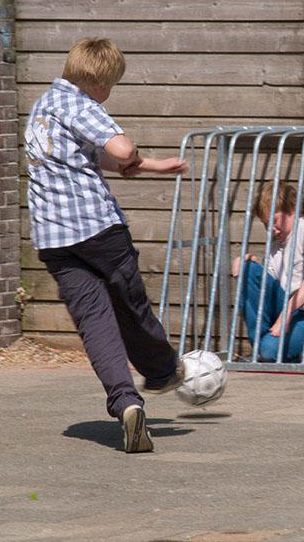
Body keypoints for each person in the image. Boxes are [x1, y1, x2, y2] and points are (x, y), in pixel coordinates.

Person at [25, 37, 187, 453]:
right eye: (110, 87)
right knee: (131, 305)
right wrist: (132, 150)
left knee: (95, 322)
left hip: (54, 239)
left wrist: (149, 166)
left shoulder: (42, 108)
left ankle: (126, 403)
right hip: (97, 229)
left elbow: (85, 156)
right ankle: (162, 368)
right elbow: (120, 147)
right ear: (100, 83)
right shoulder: (81, 104)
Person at [231, 181, 304, 362]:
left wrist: (286, 313)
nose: (271, 228)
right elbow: (268, 288)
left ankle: (269, 351)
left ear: (292, 209)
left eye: (274, 220)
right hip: (282, 307)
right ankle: (265, 348)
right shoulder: (275, 244)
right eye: (265, 224)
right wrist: (249, 266)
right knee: (248, 269)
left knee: (270, 351)